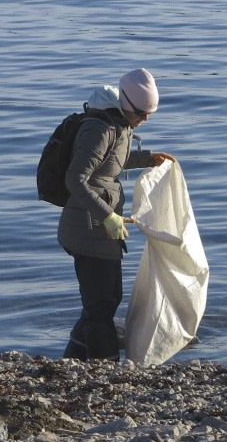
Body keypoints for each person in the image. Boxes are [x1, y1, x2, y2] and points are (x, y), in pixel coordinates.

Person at [58, 68, 175, 362]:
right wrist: (107, 215)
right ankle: (106, 365)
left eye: (150, 113)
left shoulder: (120, 124)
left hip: (100, 229)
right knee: (102, 304)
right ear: (125, 102)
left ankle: (72, 359)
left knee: (102, 301)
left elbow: (113, 161)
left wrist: (148, 158)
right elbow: (75, 179)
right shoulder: (100, 129)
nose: (145, 119)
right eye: (141, 112)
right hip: (87, 229)